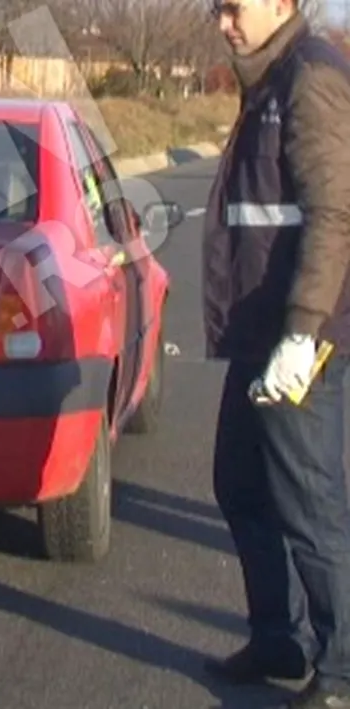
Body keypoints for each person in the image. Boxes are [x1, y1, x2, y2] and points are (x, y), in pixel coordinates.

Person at [201, 0, 350, 706]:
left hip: (300, 339)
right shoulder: (268, 77)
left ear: (283, 4)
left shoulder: (310, 76)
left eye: (234, 6)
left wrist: (303, 331)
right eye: (216, 7)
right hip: (258, 333)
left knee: (310, 505)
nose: (223, 20)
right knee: (239, 482)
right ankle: (277, 637)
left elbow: (334, 214)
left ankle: (343, 666)